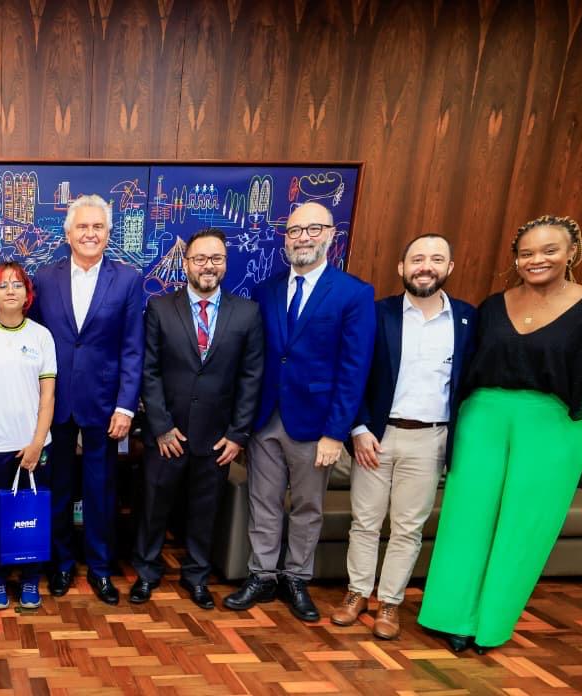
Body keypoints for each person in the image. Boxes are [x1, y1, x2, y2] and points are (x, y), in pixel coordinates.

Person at [418, 216, 582, 654]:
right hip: (482, 418)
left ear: (571, 252)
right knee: (466, 518)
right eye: (526, 253)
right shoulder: (493, 306)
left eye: (549, 250)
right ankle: (450, 616)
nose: (537, 260)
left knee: (525, 525)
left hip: (552, 424)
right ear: (516, 259)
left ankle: (491, 624)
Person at [223, 201, 375, 622]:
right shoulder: (266, 290)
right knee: (263, 503)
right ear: (285, 238)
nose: (303, 237)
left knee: (308, 507)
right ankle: (262, 575)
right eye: (294, 231)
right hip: (265, 418)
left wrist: (336, 432)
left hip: (315, 425)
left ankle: (296, 578)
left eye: (313, 229)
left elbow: (354, 369)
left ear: (330, 234)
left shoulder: (353, 293)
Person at [331, 234, 475, 639]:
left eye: (436, 259)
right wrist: (358, 429)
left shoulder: (467, 319)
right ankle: (357, 593)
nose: (425, 266)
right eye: (417, 259)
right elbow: (352, 373)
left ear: (449, 267)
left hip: (430, 439)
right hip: (376, 437)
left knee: (408, 527)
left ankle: (390, 602)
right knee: (365, 521)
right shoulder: (377, 314)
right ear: (402, 267)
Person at [132, 228, 263, 610]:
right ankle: (146, 573)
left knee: (205, 512)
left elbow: (251, 377)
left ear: (225, 263)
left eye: (216, 258)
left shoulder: (247, 313)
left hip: (217, 437)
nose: (208, 265)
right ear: (186, 263)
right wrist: (161, 426)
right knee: (153, 508)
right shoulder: (160, 308)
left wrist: (237, 435)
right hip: (166, 435)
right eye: (200, 258)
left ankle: (197, 577)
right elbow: (149, 371)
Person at [29, 194, 144, 605]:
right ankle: (61, 565)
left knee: (100, 490)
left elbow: (133, 348)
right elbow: (34, 343)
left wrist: (126, 406)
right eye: (82, 226)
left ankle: (99, 569)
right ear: (68, 234)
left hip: (104, 404)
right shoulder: (45, 278)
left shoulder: (127, 280)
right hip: (55, 402)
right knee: (58, 489)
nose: (90, 233)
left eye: (98, 227)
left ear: (108, 234)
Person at [0, 261, 57, 611]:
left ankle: (31, 578)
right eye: (2, 285)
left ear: (27, 294)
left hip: (34, 446)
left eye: (17, 284)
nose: (10, 290)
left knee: (32, 514)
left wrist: (36, 443)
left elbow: (48, 396)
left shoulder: (41, 336)